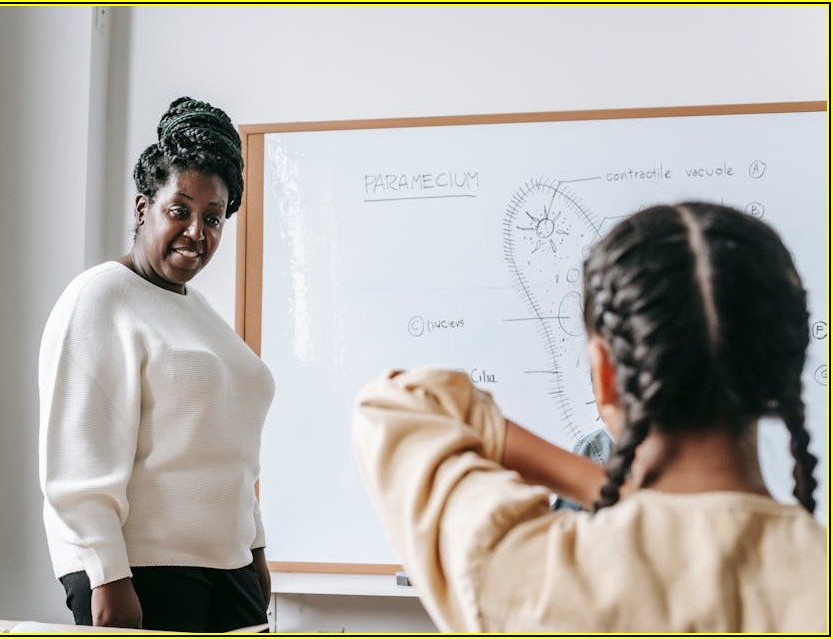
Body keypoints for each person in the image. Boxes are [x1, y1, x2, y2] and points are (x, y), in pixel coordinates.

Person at [352, 202, 825, 632]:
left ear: (605, 374)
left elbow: (398, 404)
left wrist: (607, 486)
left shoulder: (532, 577)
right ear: (782, 371)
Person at [38, 97, 273, 632]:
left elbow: (226, 451)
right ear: (144, 207)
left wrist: (255, 549)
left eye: (213, 218)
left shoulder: (198, 313)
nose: (197, 231)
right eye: (179, 210)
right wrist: (106, 577)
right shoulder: (100, 298)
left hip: (230, 571)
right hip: (144, 573)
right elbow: (76, 458)